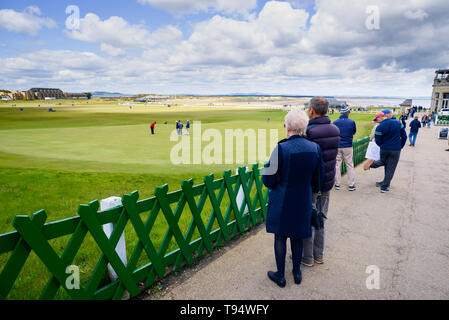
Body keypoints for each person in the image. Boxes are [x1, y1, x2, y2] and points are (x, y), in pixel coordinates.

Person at [263, 109, 324, 288]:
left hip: (282, 199)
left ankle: (280, 275)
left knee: (280, 236)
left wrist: (278, 185)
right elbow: (318, 178)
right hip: (303, 198)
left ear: (288, 127)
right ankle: (297, 273)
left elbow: (268, 178)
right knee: (298, 236)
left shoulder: (281, 147)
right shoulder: (315, 148)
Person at [303, 97, 340, 267]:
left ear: (312, 110)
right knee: (321, 218)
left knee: (308, 219)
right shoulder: (335, 129)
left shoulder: (309, 131)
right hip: (327, 181)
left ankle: (308, 257)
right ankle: (319, 255)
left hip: (311, 183)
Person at [369, 109, 407, 193]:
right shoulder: (398, 123)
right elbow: (404, 136)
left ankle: (373, 167)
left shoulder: (380, 127)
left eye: (377, 119)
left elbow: (378, 141)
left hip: (384, 149)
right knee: (391, 167)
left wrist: (382, 146)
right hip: (396, 149)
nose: (377, 121)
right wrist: (401, 146)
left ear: (381, 117)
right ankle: (384, 187)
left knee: (385, 163)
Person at [333, 106, 357, 191]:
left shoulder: (335, 122)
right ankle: (351, 185)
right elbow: (353, 132)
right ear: (347, 113)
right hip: (348, 145)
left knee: (337, 165)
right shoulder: (351, 122)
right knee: (349, 165)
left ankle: (337, 184)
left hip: (338, 145)